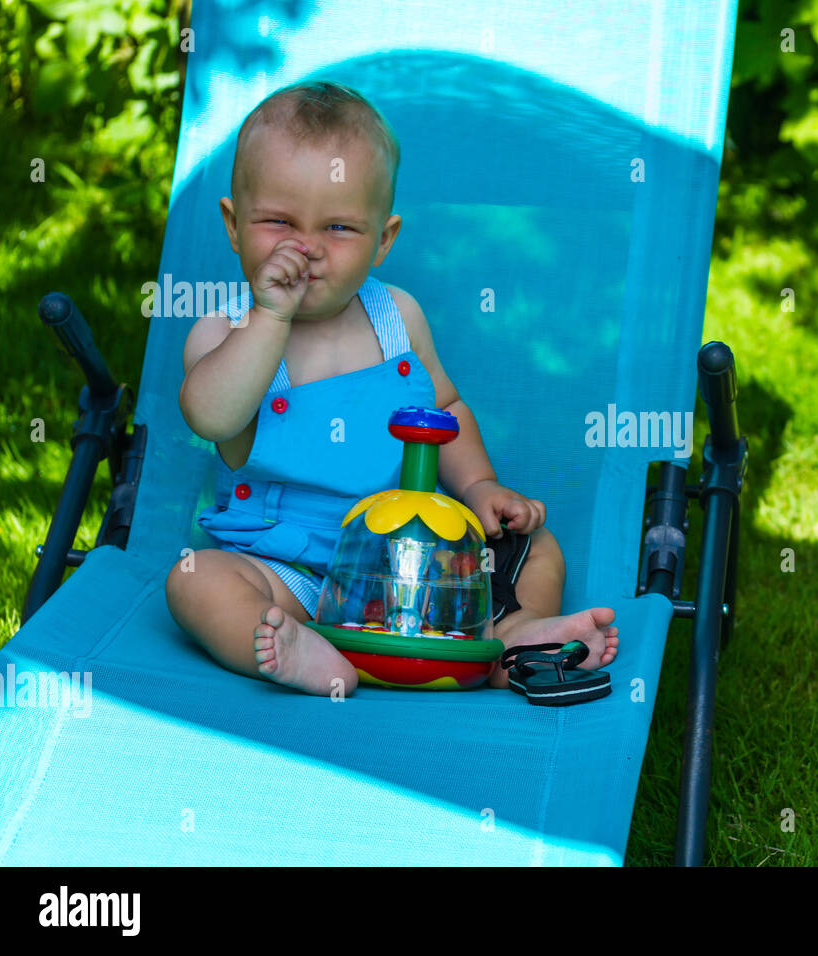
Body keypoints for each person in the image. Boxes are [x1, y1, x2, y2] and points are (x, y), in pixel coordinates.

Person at [165, 81, 619, 695]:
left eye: (339, 228)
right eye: (278, 222)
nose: (307, 248)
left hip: (416, 567)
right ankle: (299, 649)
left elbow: (445, 408)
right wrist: (269, 318)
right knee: (196, 580)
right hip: (291, 570)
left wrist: (480, 485)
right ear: (233, 226)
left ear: (384, 239)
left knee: (536, 547)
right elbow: (212, 417)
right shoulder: (224, 330)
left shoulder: (397, 319)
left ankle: (511, 633)